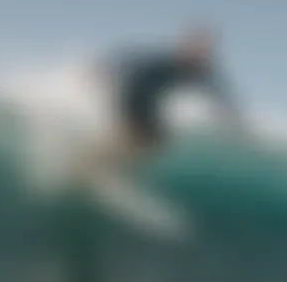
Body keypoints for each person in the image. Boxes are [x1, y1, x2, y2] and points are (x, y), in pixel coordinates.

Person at [75, 26, 245, 179]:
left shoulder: (200, 72)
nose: (199, 54)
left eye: (203, 50)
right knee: (131, 135)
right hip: (131, 97)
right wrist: (99, 69)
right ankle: (88, 164)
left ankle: (110, 168)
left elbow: (218, 93)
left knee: (158, 140)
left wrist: (232, 120)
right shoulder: (165, 60)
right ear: (185, 46)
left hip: (148, 107)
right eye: (195, 47)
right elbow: (127, 59)